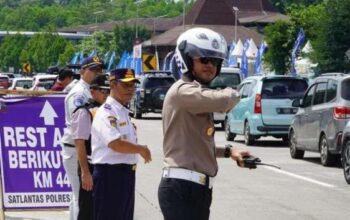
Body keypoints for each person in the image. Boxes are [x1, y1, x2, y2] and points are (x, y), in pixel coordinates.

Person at [158, 27, 251, 220]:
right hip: (182, 188)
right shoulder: (183, 91)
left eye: (216, 61)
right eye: (204, 59)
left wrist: (228, 151)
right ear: (186, 58)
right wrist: (236, 91)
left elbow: (196, 143)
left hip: (196, 188)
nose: (210, 65)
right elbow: (224, 101)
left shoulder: (195, 93)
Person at [91, 68, 152, 220]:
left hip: (124, 175)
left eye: (133, 85)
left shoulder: (122, 111)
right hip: (110, 176)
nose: (130, 89)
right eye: (126, 85)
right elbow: (115, 143)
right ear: (112, 85)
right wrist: (141, 149)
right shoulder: (107, 112)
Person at [61, 56, 104, 220]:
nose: (97, 73)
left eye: (99, 70)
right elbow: (78, 129)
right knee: (80, 196)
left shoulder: (91, 89)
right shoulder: (79, 93)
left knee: (80, 196)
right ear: (82, 71)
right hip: (76, 147)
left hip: (83, 148)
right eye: (93, 70)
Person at [71, 74, 110, 220]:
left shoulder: (109, 110)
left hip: (107, 167)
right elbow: (80, 144)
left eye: (109, 91)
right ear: (92, 91)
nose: (107, 94)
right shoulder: (84, 112)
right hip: (91, 167)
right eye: (103, 91)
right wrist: (85, 173)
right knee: (88, 210)